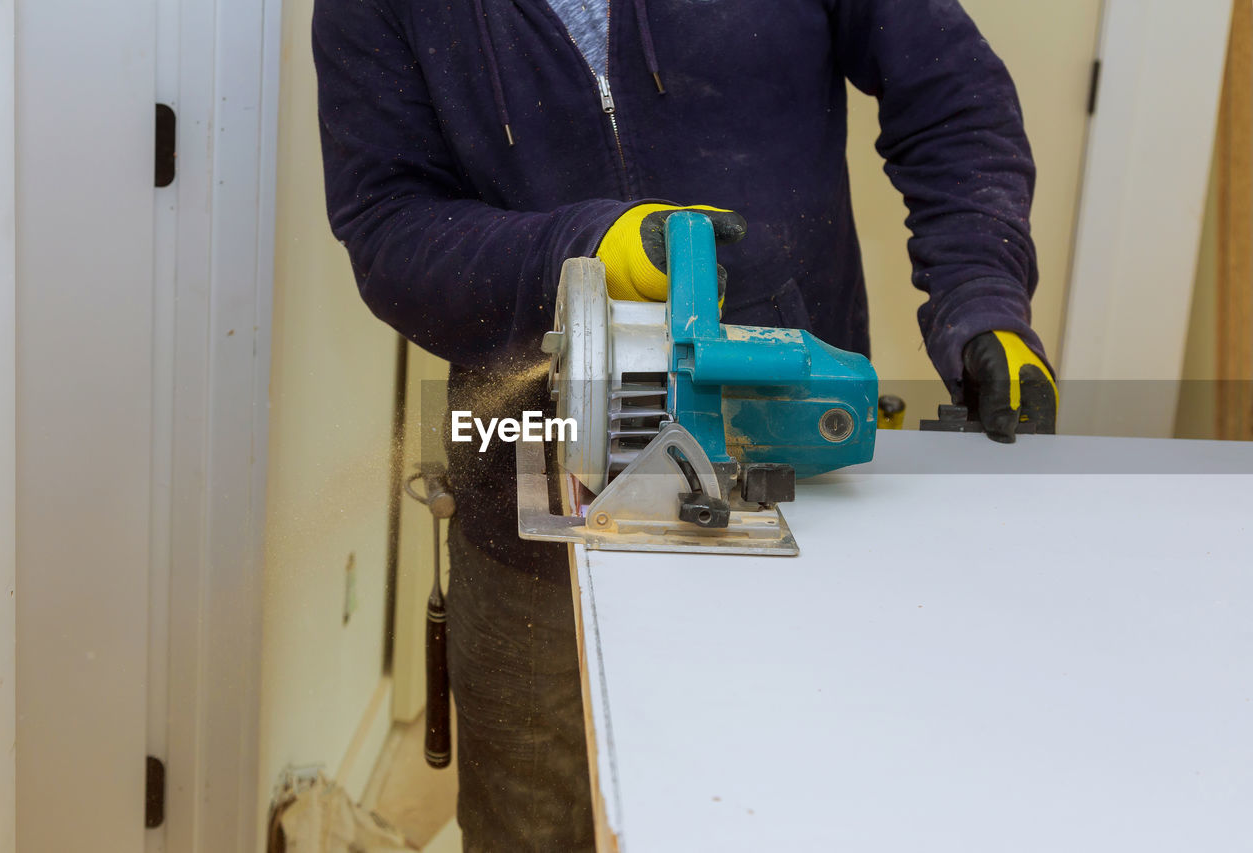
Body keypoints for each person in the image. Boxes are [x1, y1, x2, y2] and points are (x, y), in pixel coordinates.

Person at [312, 0, 1058, 849]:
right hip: (535, 524)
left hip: (789, 501)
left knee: (780, 809)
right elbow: (389, 225)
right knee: (536, 820)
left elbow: (950, 89)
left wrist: (982, 299)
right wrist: (592, 246)